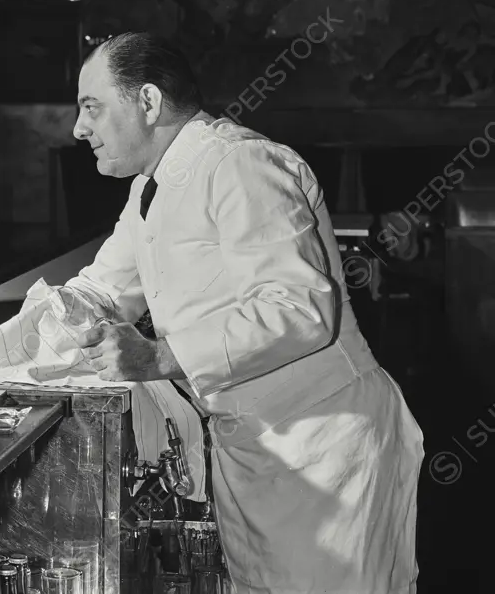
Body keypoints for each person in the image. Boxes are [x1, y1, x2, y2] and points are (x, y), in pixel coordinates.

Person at [67, 32, 423, 593]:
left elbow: (300, 307)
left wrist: (160, 356)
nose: (78, 129)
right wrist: (0, 338)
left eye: (92, 108)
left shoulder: (240, 162)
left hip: (321, 444)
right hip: (249, 448)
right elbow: (102, 288)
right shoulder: (147, 190)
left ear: (150, 103)